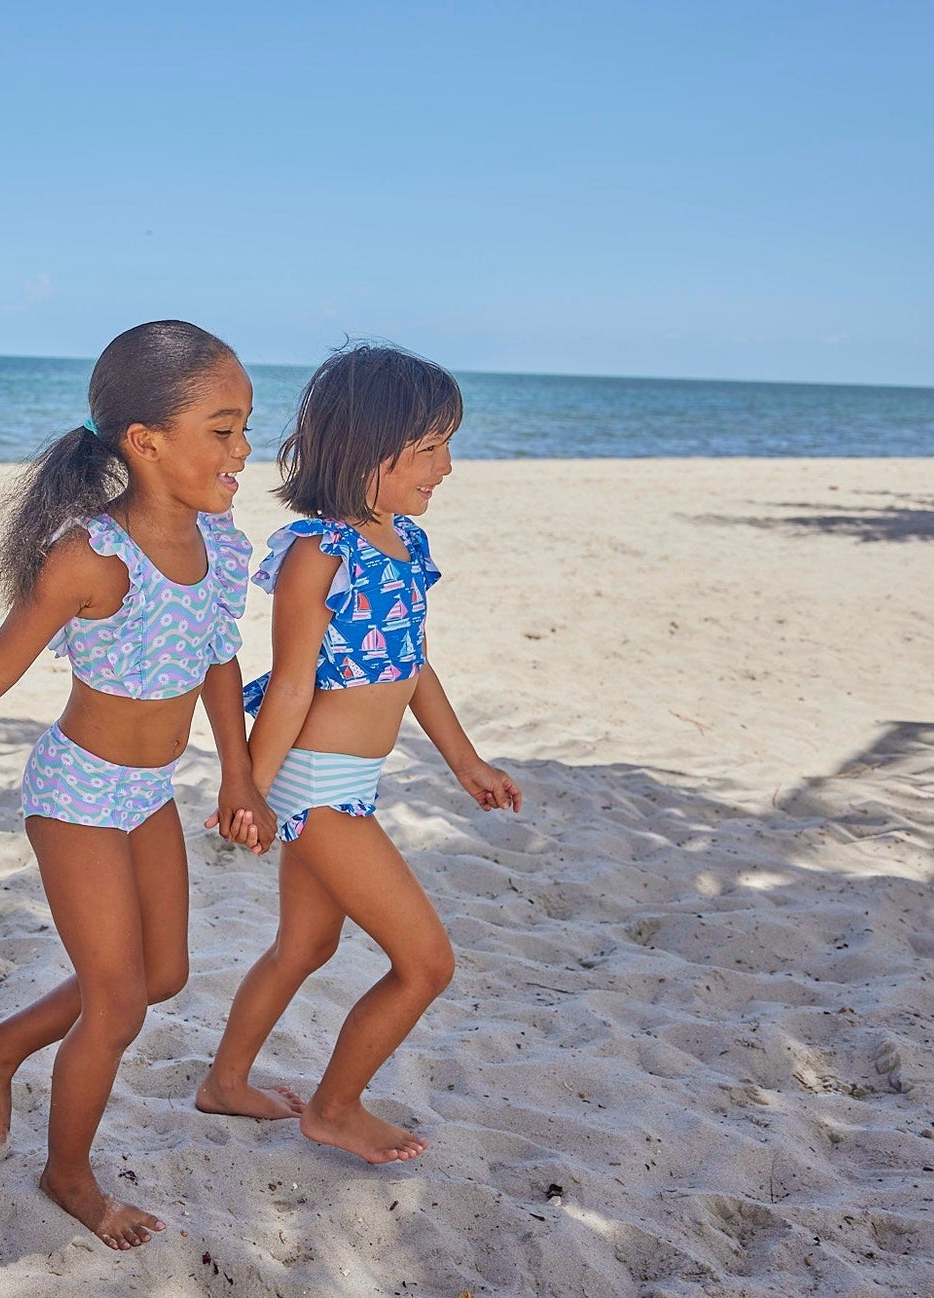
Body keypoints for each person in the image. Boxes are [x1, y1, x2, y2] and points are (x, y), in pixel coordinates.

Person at [0, 321, 273, 1250]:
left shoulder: (220, 540)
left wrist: (239, 776)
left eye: (245, 427)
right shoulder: (93, 556)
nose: (243, 449)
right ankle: (69, 1174)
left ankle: (0, 1045)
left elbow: (219, 657)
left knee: (161, 975)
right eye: (225, 427)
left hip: (151, 791)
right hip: (78, 795)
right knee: (117, 1002)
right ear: (146, 442)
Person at [195, 343, 522, 1165]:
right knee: (426, 962)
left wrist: (466, 762)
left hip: (351, 783)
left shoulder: (403, 542)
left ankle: (225, 1083)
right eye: (430, 449)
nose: (447, 467)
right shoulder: (319, 554)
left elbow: (412, 664)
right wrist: (250, 792)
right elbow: (295, 687)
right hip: (315, 788)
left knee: (305, 946)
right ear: (368, 454)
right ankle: (336, 1107)